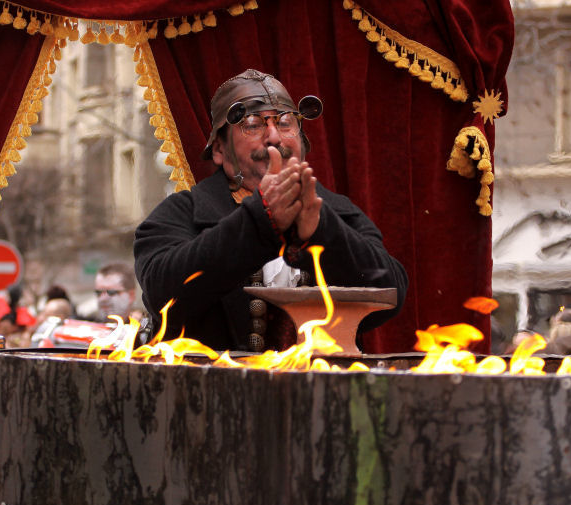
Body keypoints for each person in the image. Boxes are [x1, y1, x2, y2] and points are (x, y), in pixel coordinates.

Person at [134, 69, 408, 351]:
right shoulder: (182, 212)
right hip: (215, 391)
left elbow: (389, 294)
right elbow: (162, 294)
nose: (274, 137)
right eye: (252, 124)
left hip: (319, 391)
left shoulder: (338, 211)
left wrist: (321, 232)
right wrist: (259, 222)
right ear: (219, 150)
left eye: (286, 122)